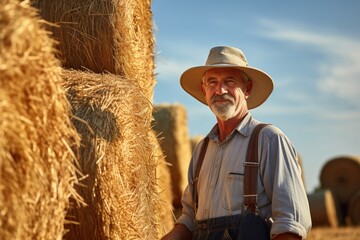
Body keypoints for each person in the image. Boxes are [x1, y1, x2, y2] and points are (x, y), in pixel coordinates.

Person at [161, 46, 312, 240]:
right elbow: (190, 218)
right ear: (204, 90)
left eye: (229, 81)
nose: (220, 90)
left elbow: (290, 224)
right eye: (212, 82)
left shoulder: (269, 140)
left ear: (246, 89)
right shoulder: (202, 150)